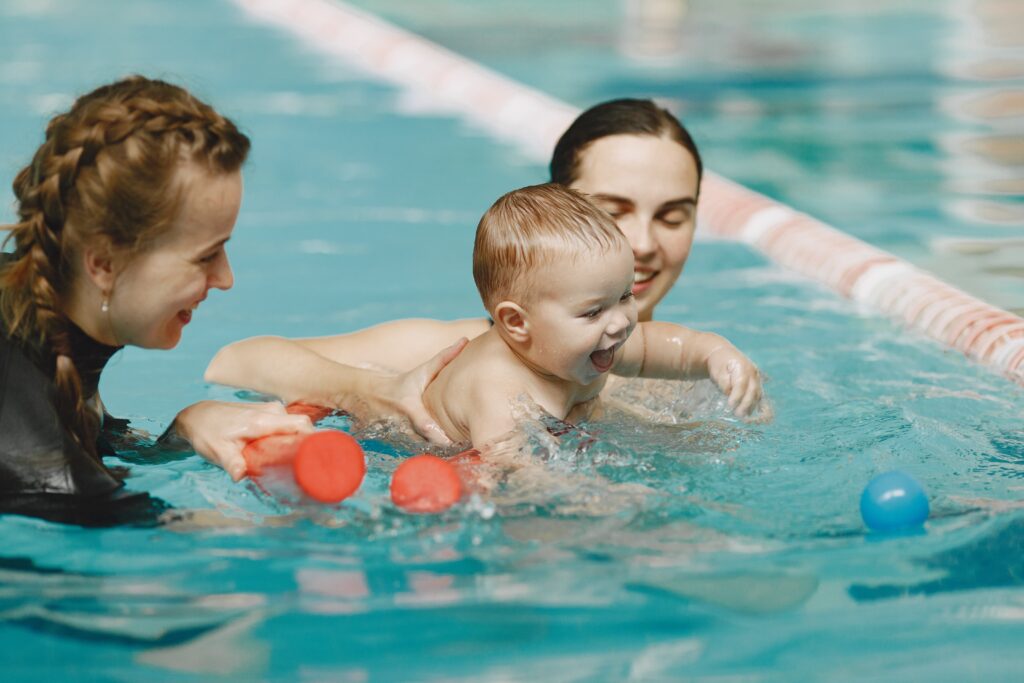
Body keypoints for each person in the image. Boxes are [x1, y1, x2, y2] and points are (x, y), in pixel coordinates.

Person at [0, 76, 458, 526]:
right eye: (205, 256)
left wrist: (184, 429)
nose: (225, 279)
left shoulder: (35, 317)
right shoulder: (43, 467)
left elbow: (91, 445)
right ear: (102, 263)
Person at [205, 99, 731, 422]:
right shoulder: (459, 353)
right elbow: (235, 362)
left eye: (673, 216)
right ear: (557, 209)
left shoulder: (695, 381)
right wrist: (375, 392)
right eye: (613, 211)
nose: (642, 242)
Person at [425, 184, 760, 447]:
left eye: (625, 295)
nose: (621, 321)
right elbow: (517, 479)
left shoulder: (591, 344)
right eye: (593, 311)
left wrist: (715, 355)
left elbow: (672, 349)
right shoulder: (498, 391)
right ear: (517, 322)